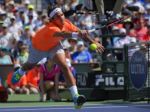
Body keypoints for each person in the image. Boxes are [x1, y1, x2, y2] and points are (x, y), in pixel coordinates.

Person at [12, 6, 104, 109]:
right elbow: (64, 34)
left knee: (64, 66)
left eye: (61, 14)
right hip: (38, 47)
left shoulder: (67, 23)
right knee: (29, 66)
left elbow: (81, 34)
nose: (61, 17)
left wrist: (94, 42)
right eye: (57, 16)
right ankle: (20, 72)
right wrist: (78, 34)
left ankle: (75, 97)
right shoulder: (51, 28)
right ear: (52, 20)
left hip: (54, 46)